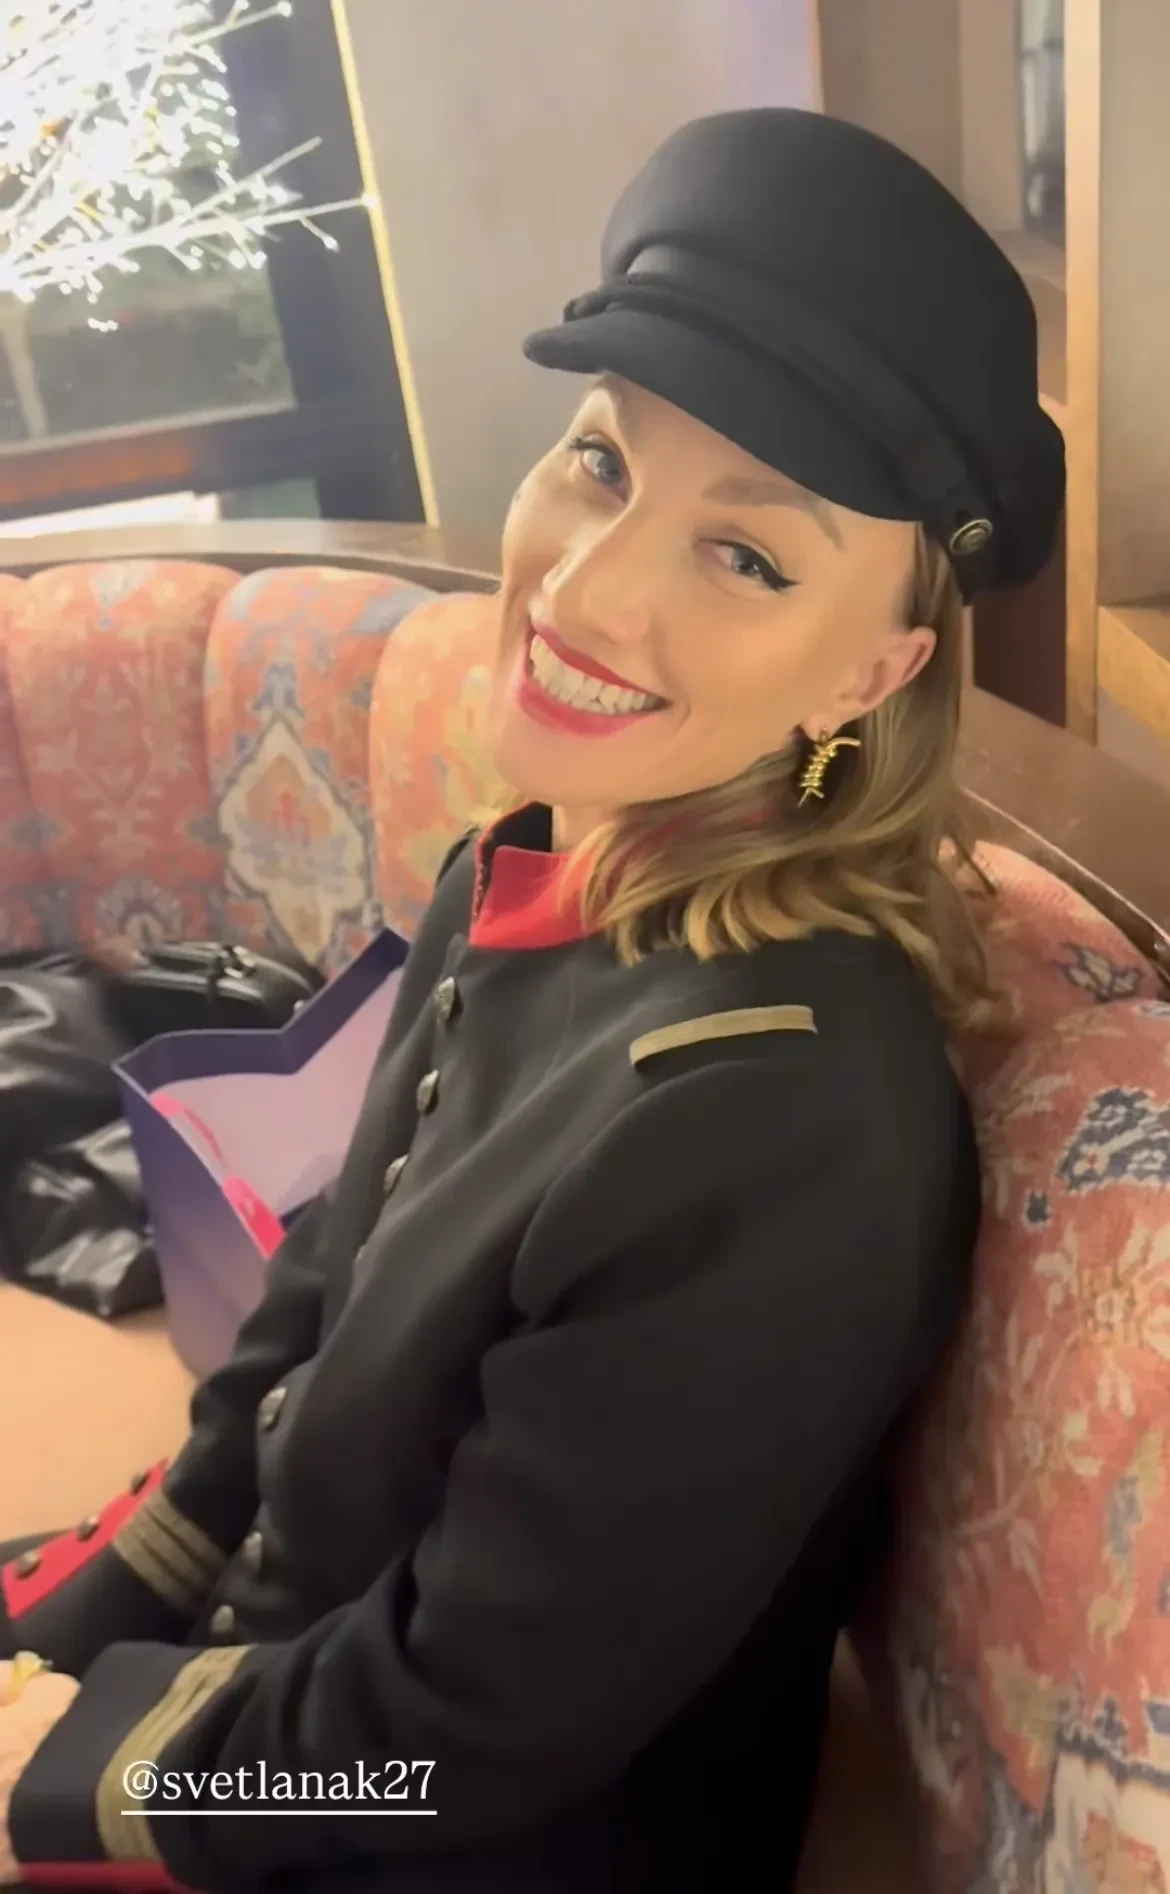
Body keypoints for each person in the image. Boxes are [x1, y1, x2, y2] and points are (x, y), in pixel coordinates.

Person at [0, 108, 1063, 1893]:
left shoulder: (780, 1117)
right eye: (599, 460)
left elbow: (460, 1737)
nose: (585, 585)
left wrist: (73, 1782)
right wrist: (108, 1605)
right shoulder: (539, 860)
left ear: (875, 668)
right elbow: (326, 1282)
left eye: (747, 554)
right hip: (286, 1688)